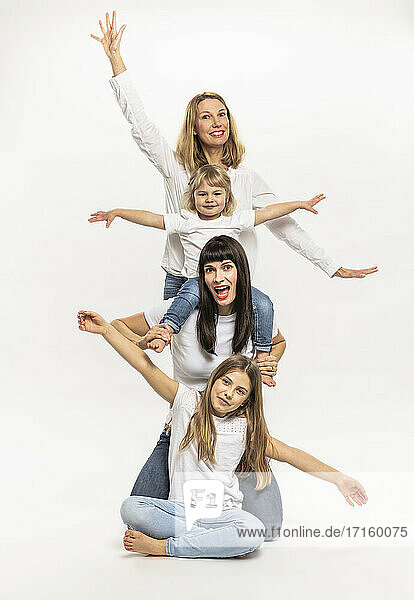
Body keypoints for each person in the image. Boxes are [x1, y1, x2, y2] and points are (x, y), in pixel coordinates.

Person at [90, 10, 378, 300]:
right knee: (182, 345)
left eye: (222, 114)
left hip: (232, 284)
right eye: (206, 117)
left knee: (239, 344)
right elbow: (140, 123)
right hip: (183, 280)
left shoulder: (245, 178)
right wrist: (116, 59)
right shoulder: (175, 167)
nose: (217, 122)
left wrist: (332, 266)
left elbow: (283, 225)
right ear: (193, 127)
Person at [77, 311, 368, 559]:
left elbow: (291, 454)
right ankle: (214, 543)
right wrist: (105, 330)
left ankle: (168, 547)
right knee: (132, 509)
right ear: (214, 379)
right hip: (180, 510)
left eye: (240, 391)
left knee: (254, 533)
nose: (229, 393)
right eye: (225, 382)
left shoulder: (245, 428)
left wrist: (339, 478)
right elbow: (144, 365)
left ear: (246, 401)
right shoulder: (186, 402)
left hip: (223, 513)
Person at [110, 236, 285, 538]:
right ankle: (209, 527)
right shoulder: (180, 310)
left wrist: (269, 359)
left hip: (236, 435)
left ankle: (207, 524)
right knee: (137, 520)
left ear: (240, 271)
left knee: (268, 528)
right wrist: (146, 340)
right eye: (209, 270)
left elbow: (278, 342)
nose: (218, 278)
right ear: (201, 276)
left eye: (227, 268)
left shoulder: (257, 312)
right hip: (184, 430)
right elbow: (117, 326)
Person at [88, 164, 324, 383]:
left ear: (227, 197)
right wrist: (118, 212)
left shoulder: (235, 220)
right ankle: (167, 329)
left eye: (216, 194)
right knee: (188, 296)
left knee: (263, 303)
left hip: (232, 284)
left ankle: (261, 357)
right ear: (193, 198)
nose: (209, 200)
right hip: (198, 281)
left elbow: (268, 212)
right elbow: (150, 218)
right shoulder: (186, 221)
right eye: (202, 194)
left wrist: (299, 204)